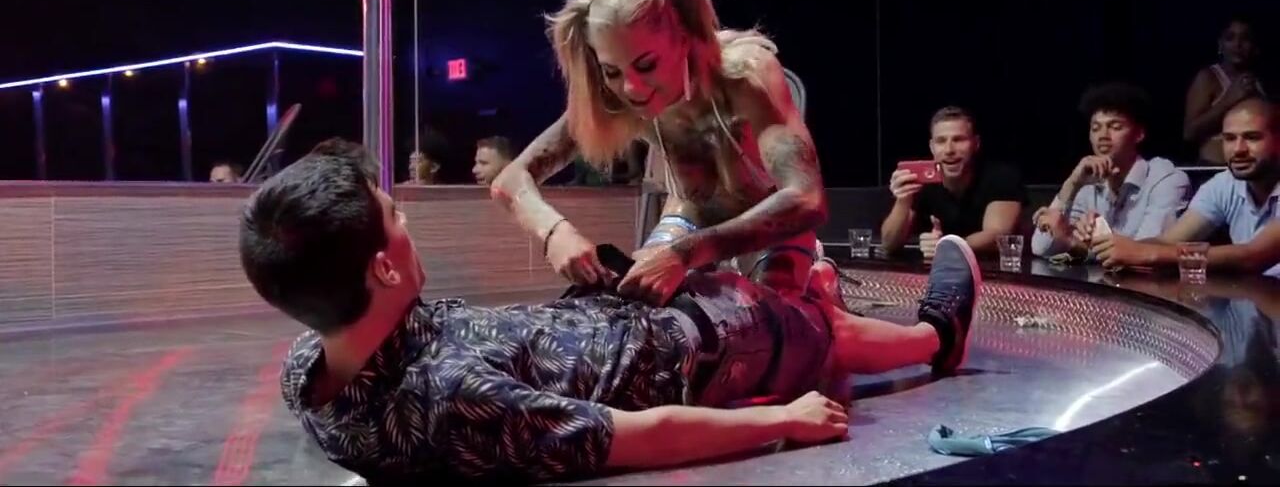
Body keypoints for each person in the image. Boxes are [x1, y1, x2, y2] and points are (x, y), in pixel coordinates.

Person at [239, 142, 982, 482]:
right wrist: (783, 422)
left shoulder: (311, 368)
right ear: (382, 267)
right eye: (396, 218)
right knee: (818, 331)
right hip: (697, 349)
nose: (408, 222)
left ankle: (807, 288)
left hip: (619, 309)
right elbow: (637, 438)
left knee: (746, 251)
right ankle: (936, 335)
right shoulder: (453, 398)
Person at [491, 0, 828, 304]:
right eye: (612, 71)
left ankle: (821, 281)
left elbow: (807, 199)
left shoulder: (744, 75)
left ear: (683, 37)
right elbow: (510, 179)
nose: (631, 88)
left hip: (770, 225)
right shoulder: (612, 96)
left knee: (773, 319)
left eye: (647, 65)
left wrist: (684, 254)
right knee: (641, 308)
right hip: (691, 216)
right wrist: (554, 231)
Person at [1092, 98, 1280, 277]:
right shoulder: (1224, 184)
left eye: (1252, 138)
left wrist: (1145, 254)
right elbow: (1167, 242)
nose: (1238, 149)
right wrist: (1108, 247)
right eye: (1229, 138)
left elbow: (1252, 257)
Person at [1031, 83, 1190, 261]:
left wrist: (1077, 244)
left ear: (1139, 134)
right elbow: (1041, 247)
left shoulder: (1166, 180)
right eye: (1095, 128)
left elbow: (1145, 253)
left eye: (1115, 127)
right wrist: (1072, 184)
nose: (1103, 136)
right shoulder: (1087, 184)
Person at [881, 106, 1026, 258]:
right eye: (941, 141)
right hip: (937, 269)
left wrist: (950, 246)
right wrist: (903, 201)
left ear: (976, 143)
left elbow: (998, 236)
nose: (949, 150)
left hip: (993, 268)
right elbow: (889, 244)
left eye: (958, 140)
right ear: (932, 147)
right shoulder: (922, 181)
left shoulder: (1001, 176)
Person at [1184, 15, 1266, 165]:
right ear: (1220, 45)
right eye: (1230, 38)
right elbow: (1189, 132)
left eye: (1245, 38)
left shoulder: (1260, 82)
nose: (1237, 44)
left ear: (1255, 46)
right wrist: (1229, 101)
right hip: (1215, 168)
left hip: (1254, 170)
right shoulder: (1208, 77)